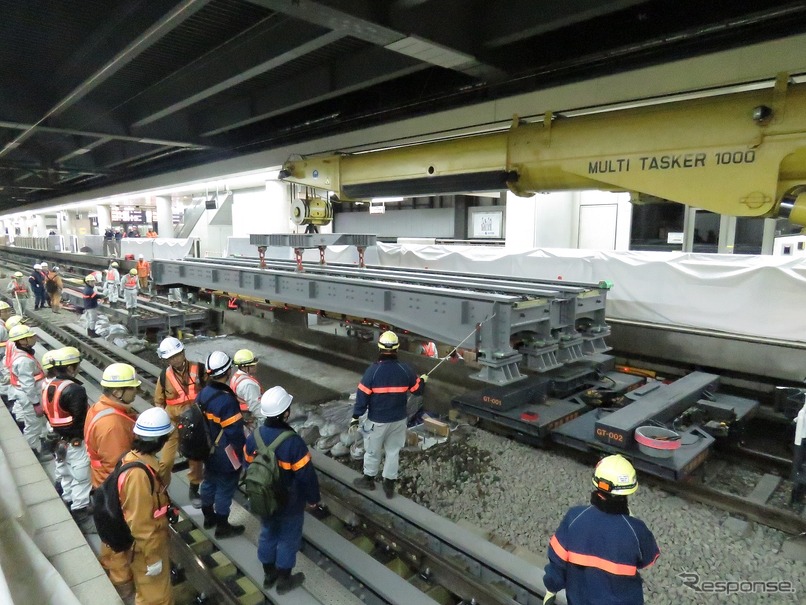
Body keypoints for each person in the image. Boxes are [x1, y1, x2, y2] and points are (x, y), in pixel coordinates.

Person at [542, 454, 660, 605]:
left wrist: (551, 589)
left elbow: (557, 566)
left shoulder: (574, 518)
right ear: (628, 491)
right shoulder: (636, 530)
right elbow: (648, 560)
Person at [244, 386, 320, 594]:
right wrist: (313, 499)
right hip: (290, 503)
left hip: (263, 499)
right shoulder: (293, 443)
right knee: (288, 539)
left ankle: (269, 574)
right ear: (285, 413)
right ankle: (284, 579)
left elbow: (248, 466)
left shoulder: (254, 437)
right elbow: (306, 476)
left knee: (267, 532)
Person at [84, 363, 140, 600]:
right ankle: (123, 587)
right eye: (131, 388)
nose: (135, 392)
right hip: (114, 493)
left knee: (109, 537)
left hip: (101, 486)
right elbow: (120, 468)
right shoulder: (113, 425)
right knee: (120, 543)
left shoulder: (100, 408)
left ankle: (109, 563)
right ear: (118, 392)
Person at [350, 330, 425, 498]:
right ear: (397, 349)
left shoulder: (373, 372)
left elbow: (362, 398)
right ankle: (389, 485)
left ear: (379, 348)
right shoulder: (405, 370)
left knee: (372, 451)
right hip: (398, 420)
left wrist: (356, 417)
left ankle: (368, 480)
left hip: (377, 421)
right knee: (393, 452)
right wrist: (422, 381)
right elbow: (418, 390)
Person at [118, 408, 175, 605]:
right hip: (145, 550)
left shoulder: (136, 459)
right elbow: (140, 523)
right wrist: (152, 558)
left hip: (150, 544)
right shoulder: (139, 475)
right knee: (155, 598)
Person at [42, 347, 93, 528]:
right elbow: (81, 419)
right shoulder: (75, 390)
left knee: (65, 472)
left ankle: (68, 498)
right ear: (71, 368)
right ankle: (81, 511)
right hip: (74, 441)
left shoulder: (50, 385)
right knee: (81, 476)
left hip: (57, 438)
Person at [198, 351, 245, 538]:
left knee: (209, 481)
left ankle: (208, 517)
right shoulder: (226, 400)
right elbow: (234, 433)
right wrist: (242, 452)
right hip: (225, 453)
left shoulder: (204, 393)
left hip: (207, 448)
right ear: (228, 371)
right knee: (225, 487)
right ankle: (223, 526)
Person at [154, 337, 204, 503]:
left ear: (183, 352)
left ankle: (194, 488)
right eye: (171, 357)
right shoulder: (164, 376)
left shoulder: (199, 370)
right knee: (165, 462)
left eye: (177, 355)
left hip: (195, 423)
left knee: (195, 458)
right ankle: (160, 492)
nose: (175, 359)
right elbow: (159, 401)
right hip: (173, 424)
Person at [7, 323, 51, 461]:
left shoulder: (23, 354)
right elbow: (27, 385)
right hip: (30, 397)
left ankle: (41, 444)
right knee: (33, 425)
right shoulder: (23, 361)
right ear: (22, 341)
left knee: (38, 423)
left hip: (31, 394)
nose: (33, 338)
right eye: (29, 337)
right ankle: (33, 452)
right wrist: (36, 403)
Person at [230, 349, 262, 428]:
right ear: (245, 367)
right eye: (252, 365)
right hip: (250, 416)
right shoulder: (248, 385)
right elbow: (256, 407)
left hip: (242, 413)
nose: (255, 366)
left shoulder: (237, 376)